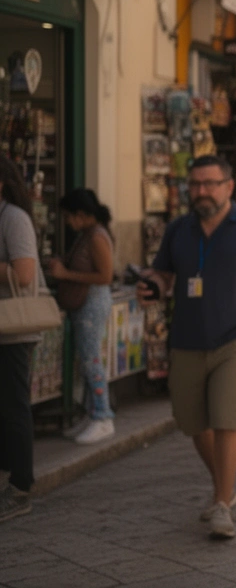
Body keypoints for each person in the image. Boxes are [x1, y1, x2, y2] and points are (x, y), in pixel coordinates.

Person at [139, 155, 236, 539]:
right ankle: (226, 485)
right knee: (191, 422)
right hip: (186, 339)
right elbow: (165, 274)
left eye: (209, 183)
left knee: (227, 418)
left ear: (229, 186)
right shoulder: (179, 230)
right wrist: (153, 285)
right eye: (195, 184)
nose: (201, 191)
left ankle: (222, 503)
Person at [48, 188, 117, 444]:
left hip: (92, 304)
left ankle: (102, 415)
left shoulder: (97, 237)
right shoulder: (87, 235)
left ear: (80, 214)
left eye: (68, 216)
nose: (67, 222)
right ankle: (92, 414)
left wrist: (66, 275)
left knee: (91, 360)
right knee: (87, 360)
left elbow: (105, 276)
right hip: (84, 305)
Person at [0, 156, 44, 522]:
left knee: (14, 406)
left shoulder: (13, 218)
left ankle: (20, 487)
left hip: (12, 329)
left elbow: (24, 273)